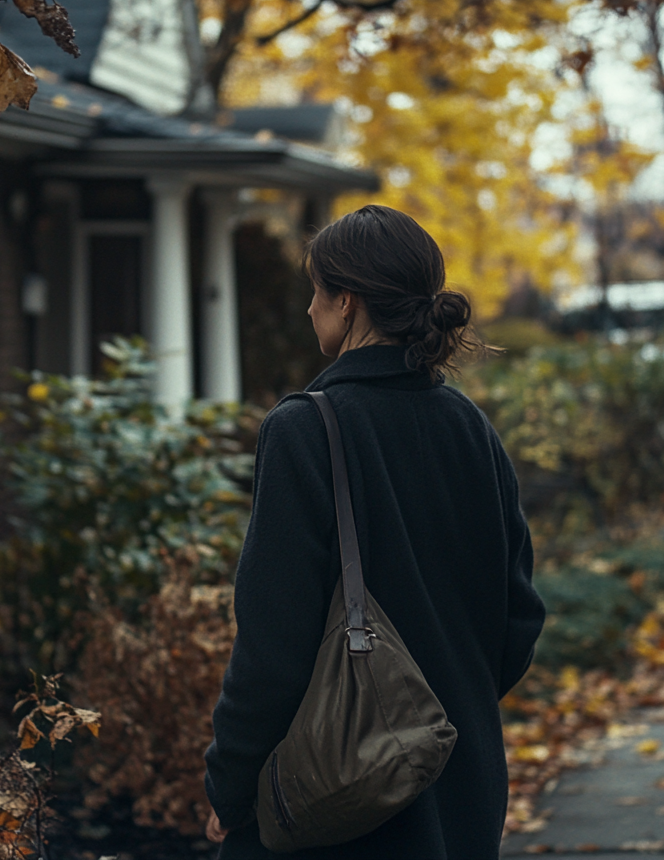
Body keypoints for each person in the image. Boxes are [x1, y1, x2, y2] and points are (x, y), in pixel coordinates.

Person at [203, 204, 545, 859]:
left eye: (316, 292)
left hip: (337, 800)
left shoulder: (303, 431)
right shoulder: (470, 428)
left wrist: (232, 783)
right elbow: (519, 616)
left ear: (348, 303)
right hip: (461, 787)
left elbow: (273, 645)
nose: (309, 309)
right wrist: (440, 708)